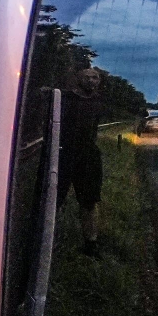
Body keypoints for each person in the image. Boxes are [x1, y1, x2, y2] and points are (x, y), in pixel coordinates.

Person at [58, 64, 106, 250]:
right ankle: (49, 240)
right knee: (55, 199)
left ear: (99, 82)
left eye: (95, 77)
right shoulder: (66, 98)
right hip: (65, 153)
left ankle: (91, 244)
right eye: (87, 76)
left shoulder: (98, 101)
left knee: (89, 201)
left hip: (88, 155)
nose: (91, 80)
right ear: (79, 78)